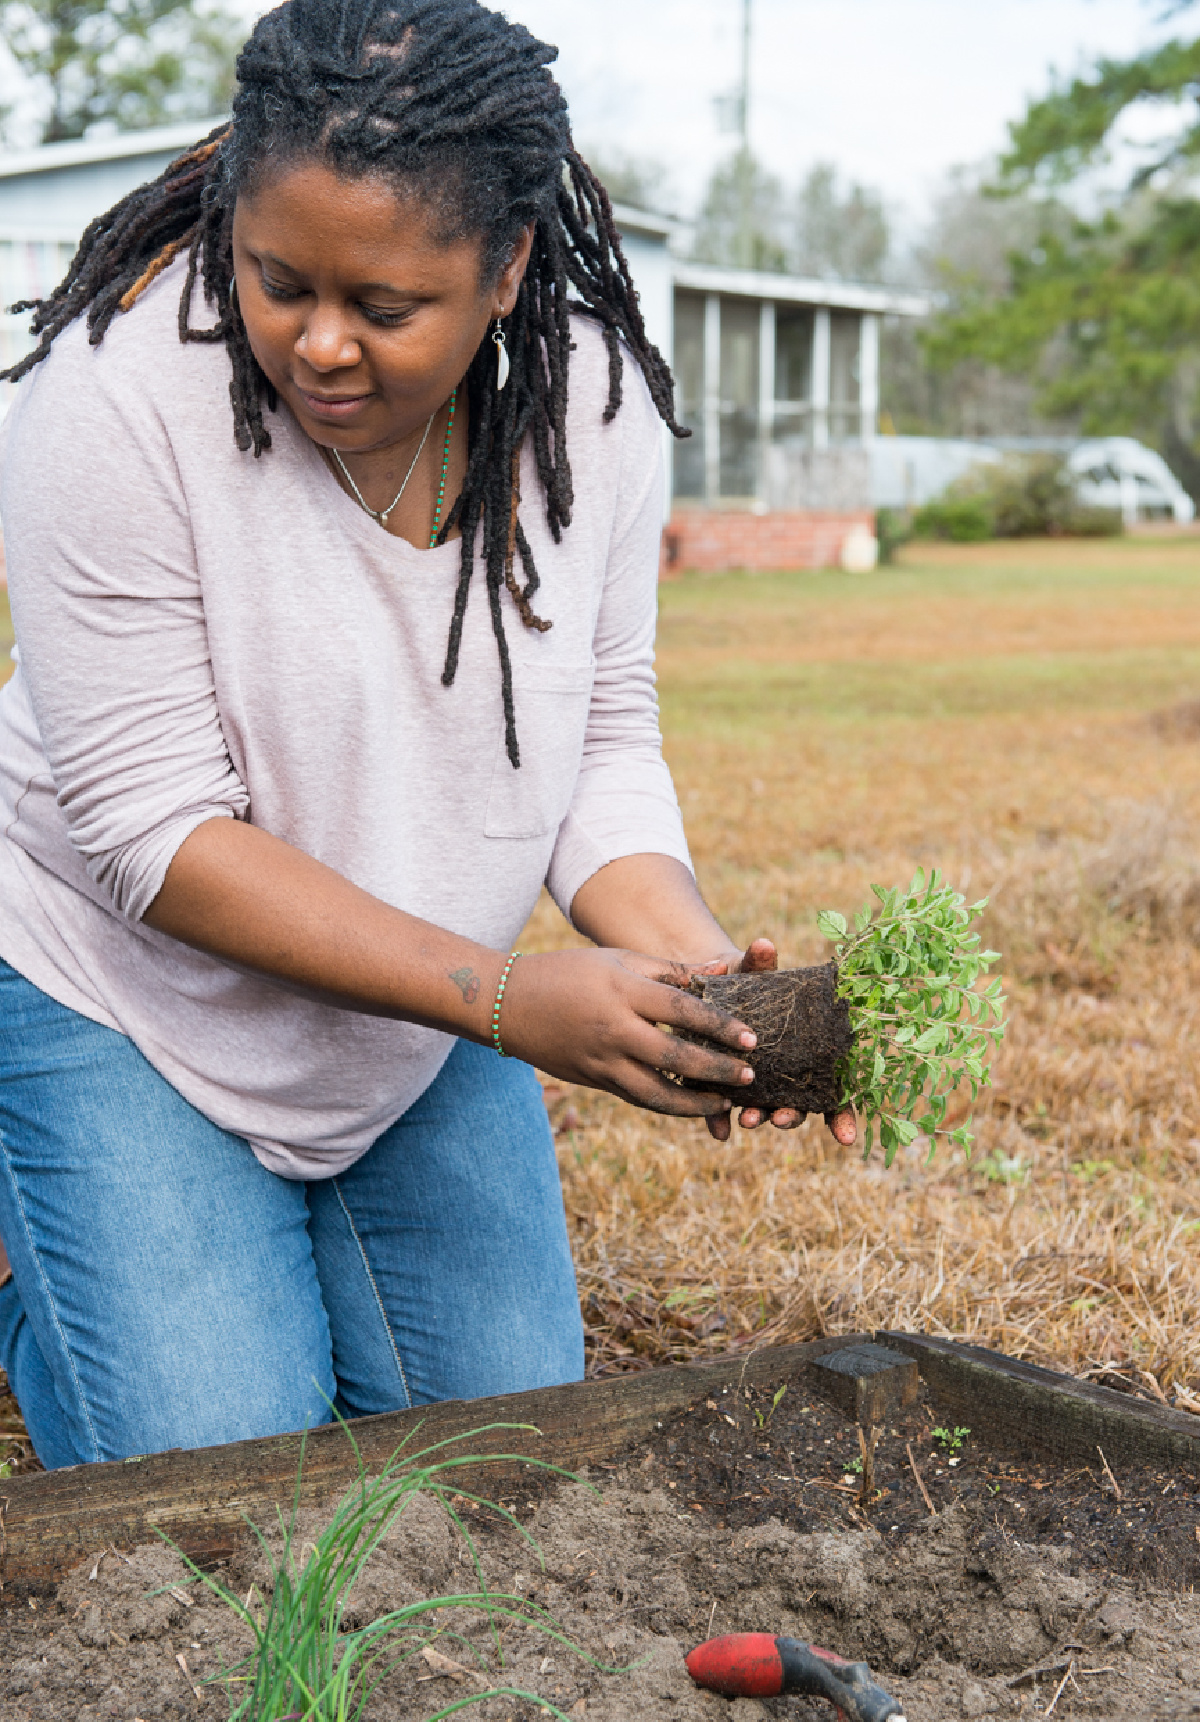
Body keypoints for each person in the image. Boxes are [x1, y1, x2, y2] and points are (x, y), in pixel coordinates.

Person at [0, 0, 853, 1473]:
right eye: (277, 281)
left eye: (385, 308)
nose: (320, 343)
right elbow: (151, 835)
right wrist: (515, 999)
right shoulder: (111, 393)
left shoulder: (591, 402)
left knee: (510, 1462)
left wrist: (702, 982)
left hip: (418, 1009)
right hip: (123, 986)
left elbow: (598, 739)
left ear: (509, 266)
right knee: (224, 1482)